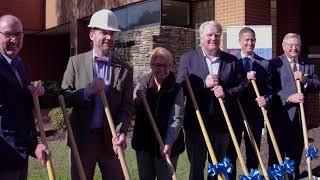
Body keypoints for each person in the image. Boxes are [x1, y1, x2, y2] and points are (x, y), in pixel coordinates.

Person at [61, 9, 133, 180]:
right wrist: (87, 92)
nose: (109, 37)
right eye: (104, 33)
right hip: (82, 141)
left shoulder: (125, 69)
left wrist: (122, 131)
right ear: (92, 35)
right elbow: (63, 97)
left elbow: (127, 106)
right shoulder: (75, 63)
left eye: (112, 33)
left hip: (111, 142)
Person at [176, 20, 245, 180]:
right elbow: (179, 87)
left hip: (222, 124)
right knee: (196, 168)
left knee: (217, 167)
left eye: (217, 35)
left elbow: (241, 87)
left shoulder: (231, 61)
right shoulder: (188, 58)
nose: (213, 38)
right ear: (201, 37)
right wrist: (202, 84)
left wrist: (226, 92)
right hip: (196, 124)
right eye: (209, 34)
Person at [0, 15, 49, 180]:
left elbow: (22, 110)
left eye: (18, 34)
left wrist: (35, 92)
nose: (14, 40)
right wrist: (32, 146)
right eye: (8, 34)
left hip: (19, 158)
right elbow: (5, 119)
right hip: (4, 157)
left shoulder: (19, 64)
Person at [269, 33, 320, 179]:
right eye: (290, 45)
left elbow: (317, 84)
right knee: (276, 155)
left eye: (297, 45)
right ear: (283, 46)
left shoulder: (307, 64)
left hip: (300, 118)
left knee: (295, 153)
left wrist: (304, 80)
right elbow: (270, 90)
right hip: (279, 116)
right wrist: (288, 97)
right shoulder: (274, 64)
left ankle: (292, 176)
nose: (294, 48)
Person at [132, 47, 185, 180]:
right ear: (151, 65)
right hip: (144, 144)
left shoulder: (176, 88)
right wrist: (138, 99)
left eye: (167, 65)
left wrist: (168, 143)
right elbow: (131, 108)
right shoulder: (142, 85)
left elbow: (176, 118)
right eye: (158, 65)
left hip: (168, 144)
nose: (162, 69)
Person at [227, 27, 272, 179]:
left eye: (252, 39)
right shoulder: (232, 63)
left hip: (255, 117)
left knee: (253, 154)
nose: (250, 42)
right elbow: (228, 87)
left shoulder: (264, 64)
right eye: (246, 39)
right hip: (234, 115)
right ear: (239, 41)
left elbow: (270, 90)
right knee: (232, 153)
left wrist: (265, 98)